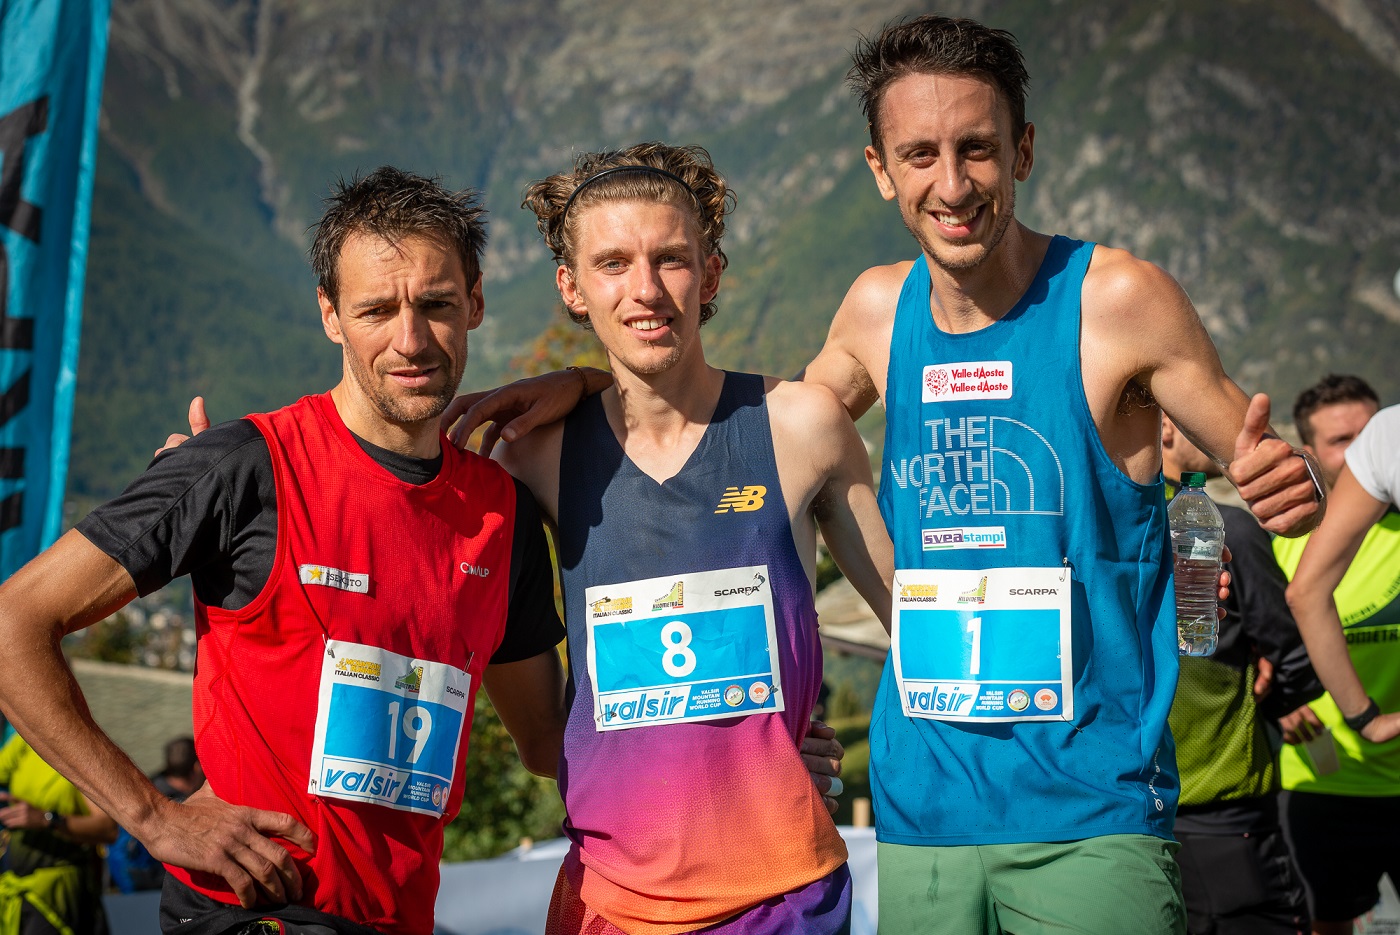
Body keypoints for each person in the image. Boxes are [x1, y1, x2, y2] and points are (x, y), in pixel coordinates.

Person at [446, 15, 1326, 935]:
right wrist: (596, 385)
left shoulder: (1117, 299)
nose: (952, 184)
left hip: (1088, 804)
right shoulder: (876, 309)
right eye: (920, 154)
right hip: (922, 816)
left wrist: (1294, 480)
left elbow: (1269, 465)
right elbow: (732, 439)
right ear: (880, 168)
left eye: (977, 148)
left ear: (1022, 151)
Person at [0, 167, 571, 935]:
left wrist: (600, 388)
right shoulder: (244, 466)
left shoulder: (500, 514)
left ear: (474, 301)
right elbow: (12, 625)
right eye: (377, 309)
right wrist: (153, 816)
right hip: (251, 915)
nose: (410, 340)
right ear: (330, 314)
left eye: (436, 305)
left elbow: (548, 740)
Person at [498, 143, 891, 934]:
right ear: (572, 287)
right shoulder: (533, 458)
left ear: (710, 276)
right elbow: (543, 742)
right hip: (610, 903)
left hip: (783, 899)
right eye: (613, 263)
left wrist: (776, 752)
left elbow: (917, 628)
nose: (646, 289)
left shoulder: (803, 425)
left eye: (671, 259)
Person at [1161, 416, 1319, 935]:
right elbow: (1293, 653)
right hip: (1225, 805)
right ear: (1166, 426)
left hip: (1129, 811)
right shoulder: (1226, 526)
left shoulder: (1100, 525)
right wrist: (1277, 696)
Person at [1272, 378, 1400, 935]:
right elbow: (1250, 646)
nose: (1359, 449)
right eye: (1341, 440)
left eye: (1366, 433)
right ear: (1310, 453)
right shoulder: (1282, 543)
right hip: (1324, 781)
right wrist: (1277, 701)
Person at [0, 730, 118, 935]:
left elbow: (108, 829)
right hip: (14, 889)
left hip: (59, 897)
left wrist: (47, 819)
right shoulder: (26, 739)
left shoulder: (84, 752)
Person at [109, 737, 206, 893]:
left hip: (130, 883)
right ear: (197, 767)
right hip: (162, 885)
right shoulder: (186, 806)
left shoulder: (146, 790)